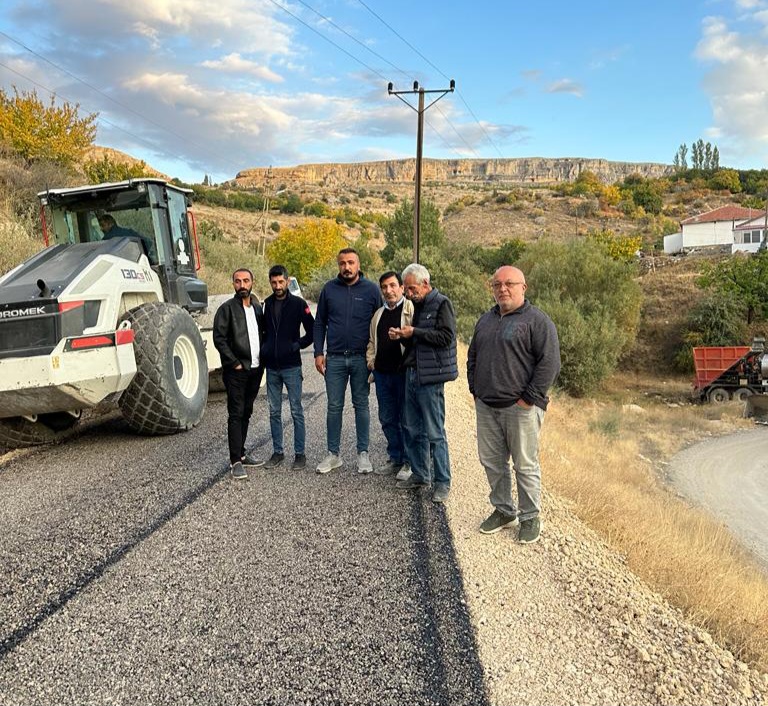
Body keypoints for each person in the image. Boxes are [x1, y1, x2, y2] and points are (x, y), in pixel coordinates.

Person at [467, 265, 560, 544]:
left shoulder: (537, 321)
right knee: (492, 462)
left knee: (525, 464)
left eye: (509, 283)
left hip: (521, 409)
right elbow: (473, 357)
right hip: (487, 406)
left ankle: (530, 517)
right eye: (497, 285)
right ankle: (504, 511)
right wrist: (475, 390)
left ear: (523, 287)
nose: (502, 289)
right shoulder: (485, 320)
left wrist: (527, 399)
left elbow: (550, 364)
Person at [390, 263, 457, 503]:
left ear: (425, 284)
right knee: (411, 427)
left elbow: (446, 338)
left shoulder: (441, 303)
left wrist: (414, 332)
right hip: (412, 373)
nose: (408, 293)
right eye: (406, 289)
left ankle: (442, 482)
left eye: (411, 288)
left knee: (434, 432)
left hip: (430, 378)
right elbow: (419, 341)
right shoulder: (418, 305)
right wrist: (403, 336)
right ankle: (420, 475)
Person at [313, 248, 382, 474]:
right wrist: (318, 352)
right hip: (334, 359)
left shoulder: (372, 290)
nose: (347, 267)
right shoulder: (329, 289)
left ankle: (363, 454)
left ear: (358, 264)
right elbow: (320, 322)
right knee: (334, 407)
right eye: (342, 263)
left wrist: (376, 357)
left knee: (361, 405)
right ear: (338, 265)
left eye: (351, 262)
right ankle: (333, 455)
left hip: (361, 359)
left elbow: (380, 323)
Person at [213, 268, 266, 480]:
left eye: (246, 281)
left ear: (252, 282)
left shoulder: (257, 307)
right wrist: (233, 362)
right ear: (233, 284)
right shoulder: (226, 309)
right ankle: (235, 460)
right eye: (238, 281)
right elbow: (219, 339)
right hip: (237, 371)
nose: (242, 285)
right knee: (236, 413)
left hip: (255, 369)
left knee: (247, 411)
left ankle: (242, 454)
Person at [261, 265, 315, 470]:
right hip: (272, 368)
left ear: (287, 281)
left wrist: (297, 345)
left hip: (291, 366)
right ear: (270, 282)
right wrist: (265, 349)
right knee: (274, 411)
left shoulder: (299, 304)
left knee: (296, 410)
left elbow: (312, 330)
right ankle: (278, 452)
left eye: (281, 282)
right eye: (273, 282)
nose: (277, 286)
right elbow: (261, 332)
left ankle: (300, 454)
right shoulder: (266, 304)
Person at [366, 271, 413, 480]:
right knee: (387, 418)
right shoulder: (378, 315)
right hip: (382, 375)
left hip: (404, 374)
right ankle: (395, 458)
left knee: (407, 419)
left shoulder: (410, 309)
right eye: (384, 287)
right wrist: (371, 363)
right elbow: (371, 343)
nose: (389, 290)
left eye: (393, 285)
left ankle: (410, 462)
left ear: (401, 287)